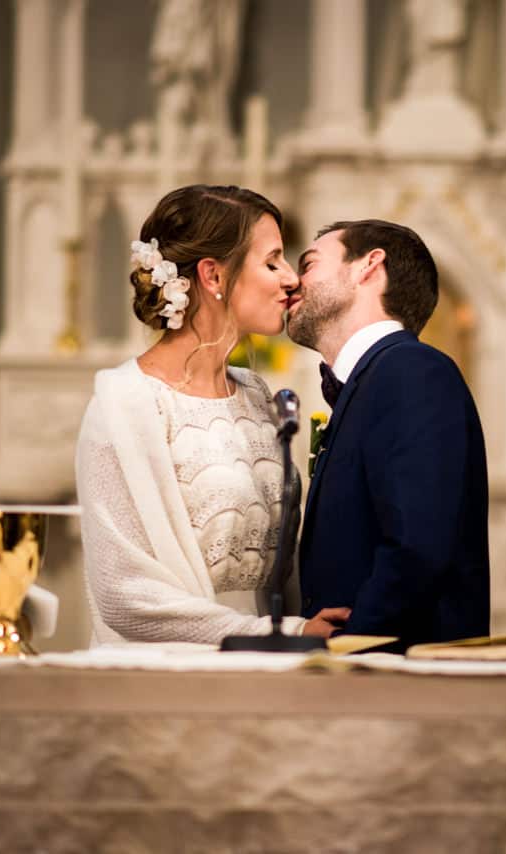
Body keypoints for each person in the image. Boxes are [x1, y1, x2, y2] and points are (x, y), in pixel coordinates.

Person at [75, 185, 350, 646]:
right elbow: (124, 595)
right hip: (174, 677)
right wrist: (281, 633)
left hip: (273, 671)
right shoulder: (125, 404)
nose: (291, 279)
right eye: (272, 261)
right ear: (214, 276)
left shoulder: (258, 396)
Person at [286, 219, 490, 651]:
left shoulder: (414, 372)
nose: (291, 280)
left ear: (368, 266)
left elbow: (416, 548)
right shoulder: (376, 378)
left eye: (309, 264)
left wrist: (344, 647)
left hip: (393, 678)